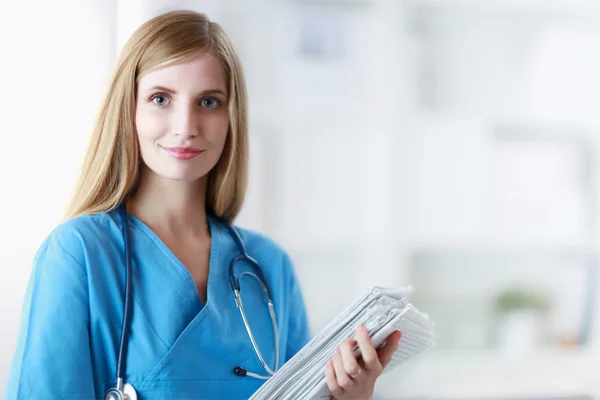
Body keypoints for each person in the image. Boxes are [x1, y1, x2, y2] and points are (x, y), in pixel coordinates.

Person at [4, 9, 402, 400]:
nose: (185, 126)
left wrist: (350, 397)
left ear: (232, 117)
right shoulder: (78, 254)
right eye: (161, 98)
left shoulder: (269, 267)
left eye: (208, 102)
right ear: (129, 110)